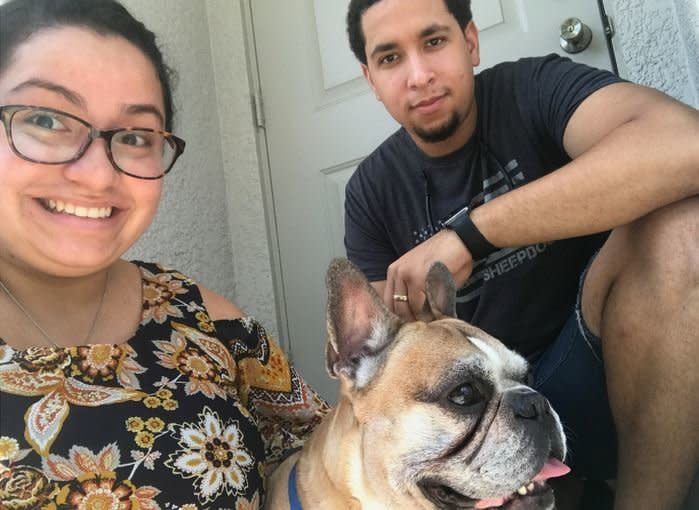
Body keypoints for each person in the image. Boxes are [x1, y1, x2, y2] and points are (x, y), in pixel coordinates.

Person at [343, 0, 699, 509]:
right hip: (481, 419)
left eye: (434, 42)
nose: (418, 75)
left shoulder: (530, 89)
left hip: (616, 352)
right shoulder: (371, 192)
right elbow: (380, 384)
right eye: (390, 58)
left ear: (470, 42)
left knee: (684, 228)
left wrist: (471, 234)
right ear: (371, 78)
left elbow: (686, 144)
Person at [0, 1, 328, 508]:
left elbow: (325, 456)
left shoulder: (211, 323)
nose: (97, 175)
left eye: (133, 136)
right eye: (46, 119)